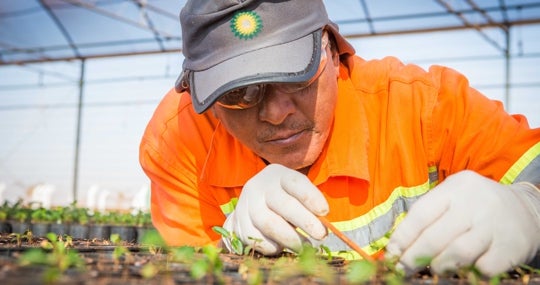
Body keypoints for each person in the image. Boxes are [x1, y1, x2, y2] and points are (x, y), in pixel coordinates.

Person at [139, 0, 540, 278]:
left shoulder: (426, 107)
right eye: (238, 94)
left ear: (331, 50)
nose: (276, 113)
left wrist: (531, 208)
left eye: (294, 75)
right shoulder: (179, 140)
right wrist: (232, 248)